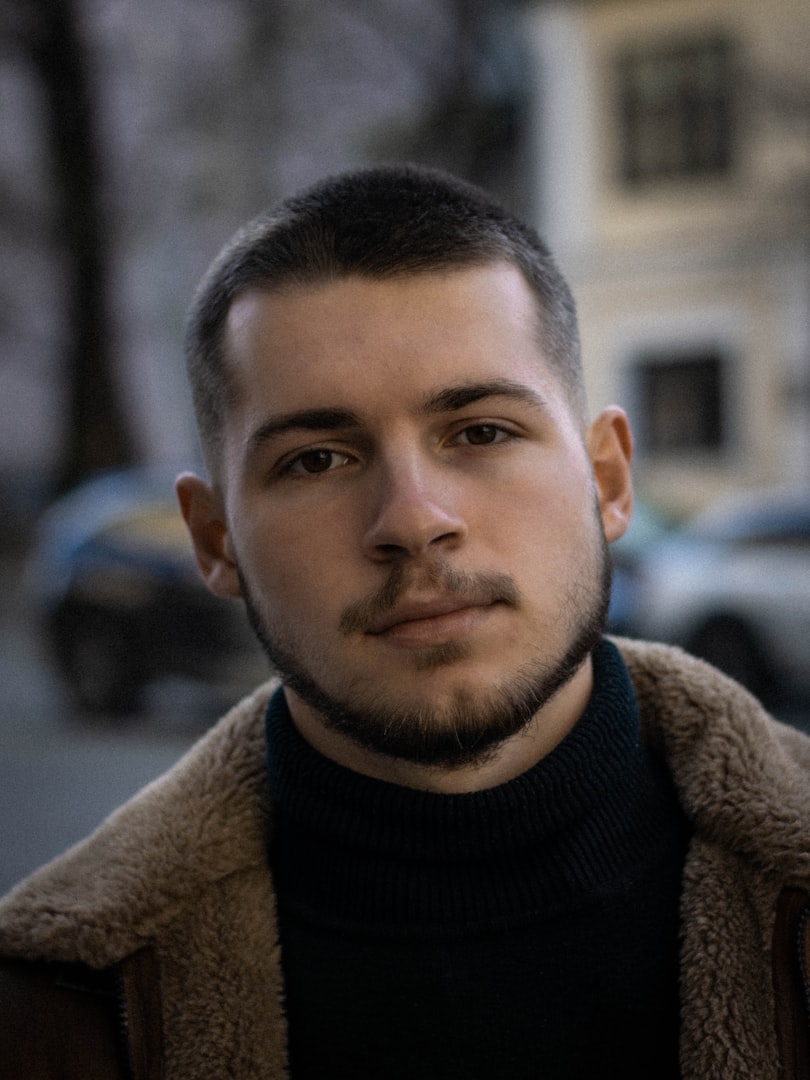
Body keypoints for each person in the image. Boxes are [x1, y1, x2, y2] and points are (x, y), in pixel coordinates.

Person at [1, 164, 808, 1080]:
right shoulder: (46, 1011)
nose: (413, 520)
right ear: (215, 540)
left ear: (608, 481)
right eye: (316, 460)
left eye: (481, 432)